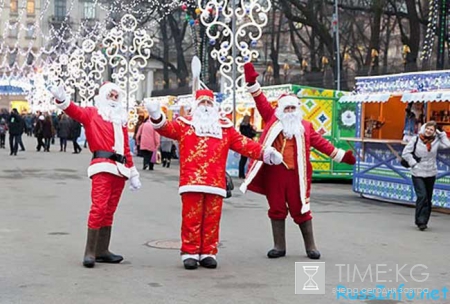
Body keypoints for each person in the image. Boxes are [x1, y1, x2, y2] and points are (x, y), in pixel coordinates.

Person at [145, 89, 283, 270]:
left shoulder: (224, 128)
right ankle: (190, 252)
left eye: (209, 103)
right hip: (191, 181)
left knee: (212, 219)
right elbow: (165, 128)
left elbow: (244, 144)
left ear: (214, 106)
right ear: (195, 105)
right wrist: (156, 114)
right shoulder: (185, 125)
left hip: (215, 182)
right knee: (191, 218)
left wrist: (266, 153)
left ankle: (208, 252)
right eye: (202, 103)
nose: (206, 106)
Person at [240, 63, 356, 260]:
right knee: (276, 207)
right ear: (280, 110)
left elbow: (322, 144)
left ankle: (310, 247)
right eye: (287, 108)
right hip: (274, 174)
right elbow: (260, 100)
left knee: (301, 208)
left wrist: (342, 156)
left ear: (298, 109)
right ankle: (279, 246)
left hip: (297, 175)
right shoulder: (271, 119)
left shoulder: (306, 127)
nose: (291, 111)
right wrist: (252, 82)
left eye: (294, 107)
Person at [49, 82, 142, 268]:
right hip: (102, 167)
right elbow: (75, 111)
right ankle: (90, 251)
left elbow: (125, 149)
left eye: (117, 96)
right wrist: (61, 98)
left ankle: (102, 250)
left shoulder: (120, 121)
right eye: (111, 95)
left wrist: (133, 172)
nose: (114, 99)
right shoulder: (93, 114)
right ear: (103, 96)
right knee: (99, 208)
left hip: (120, 169)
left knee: (109, 211)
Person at [401, 121, 450, 231]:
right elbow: (406, 153)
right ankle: (419, 220)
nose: (428, 131)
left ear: (434, 132)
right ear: (424, 128)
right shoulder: (416, 139)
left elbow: (447, 144)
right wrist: (413, 164)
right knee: (422, 195)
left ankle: (424, 221)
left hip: (431, 172)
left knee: (428, 197)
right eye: (427, 128)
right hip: (418, 172)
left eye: (431, 130)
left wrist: (441, 133)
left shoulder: (436, 141)